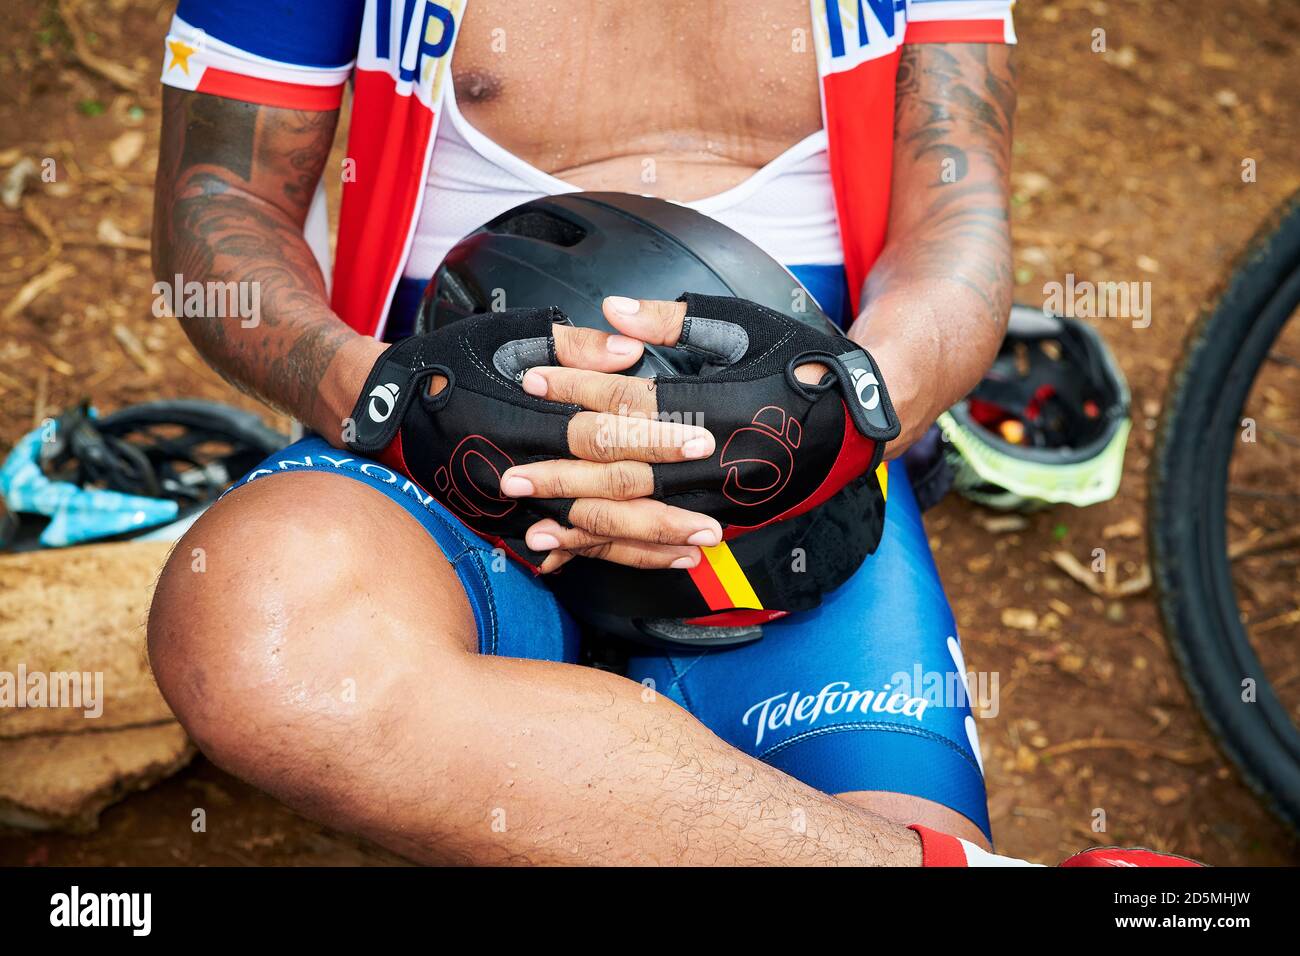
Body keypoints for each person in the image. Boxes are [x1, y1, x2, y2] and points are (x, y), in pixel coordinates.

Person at [146, 0, 1194, 866]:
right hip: (443, 463)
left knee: (885, 818)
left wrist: (858, 405)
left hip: (787, 484)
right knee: (253, 624)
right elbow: (217, 200)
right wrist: (381, 396)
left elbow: (958, 223)